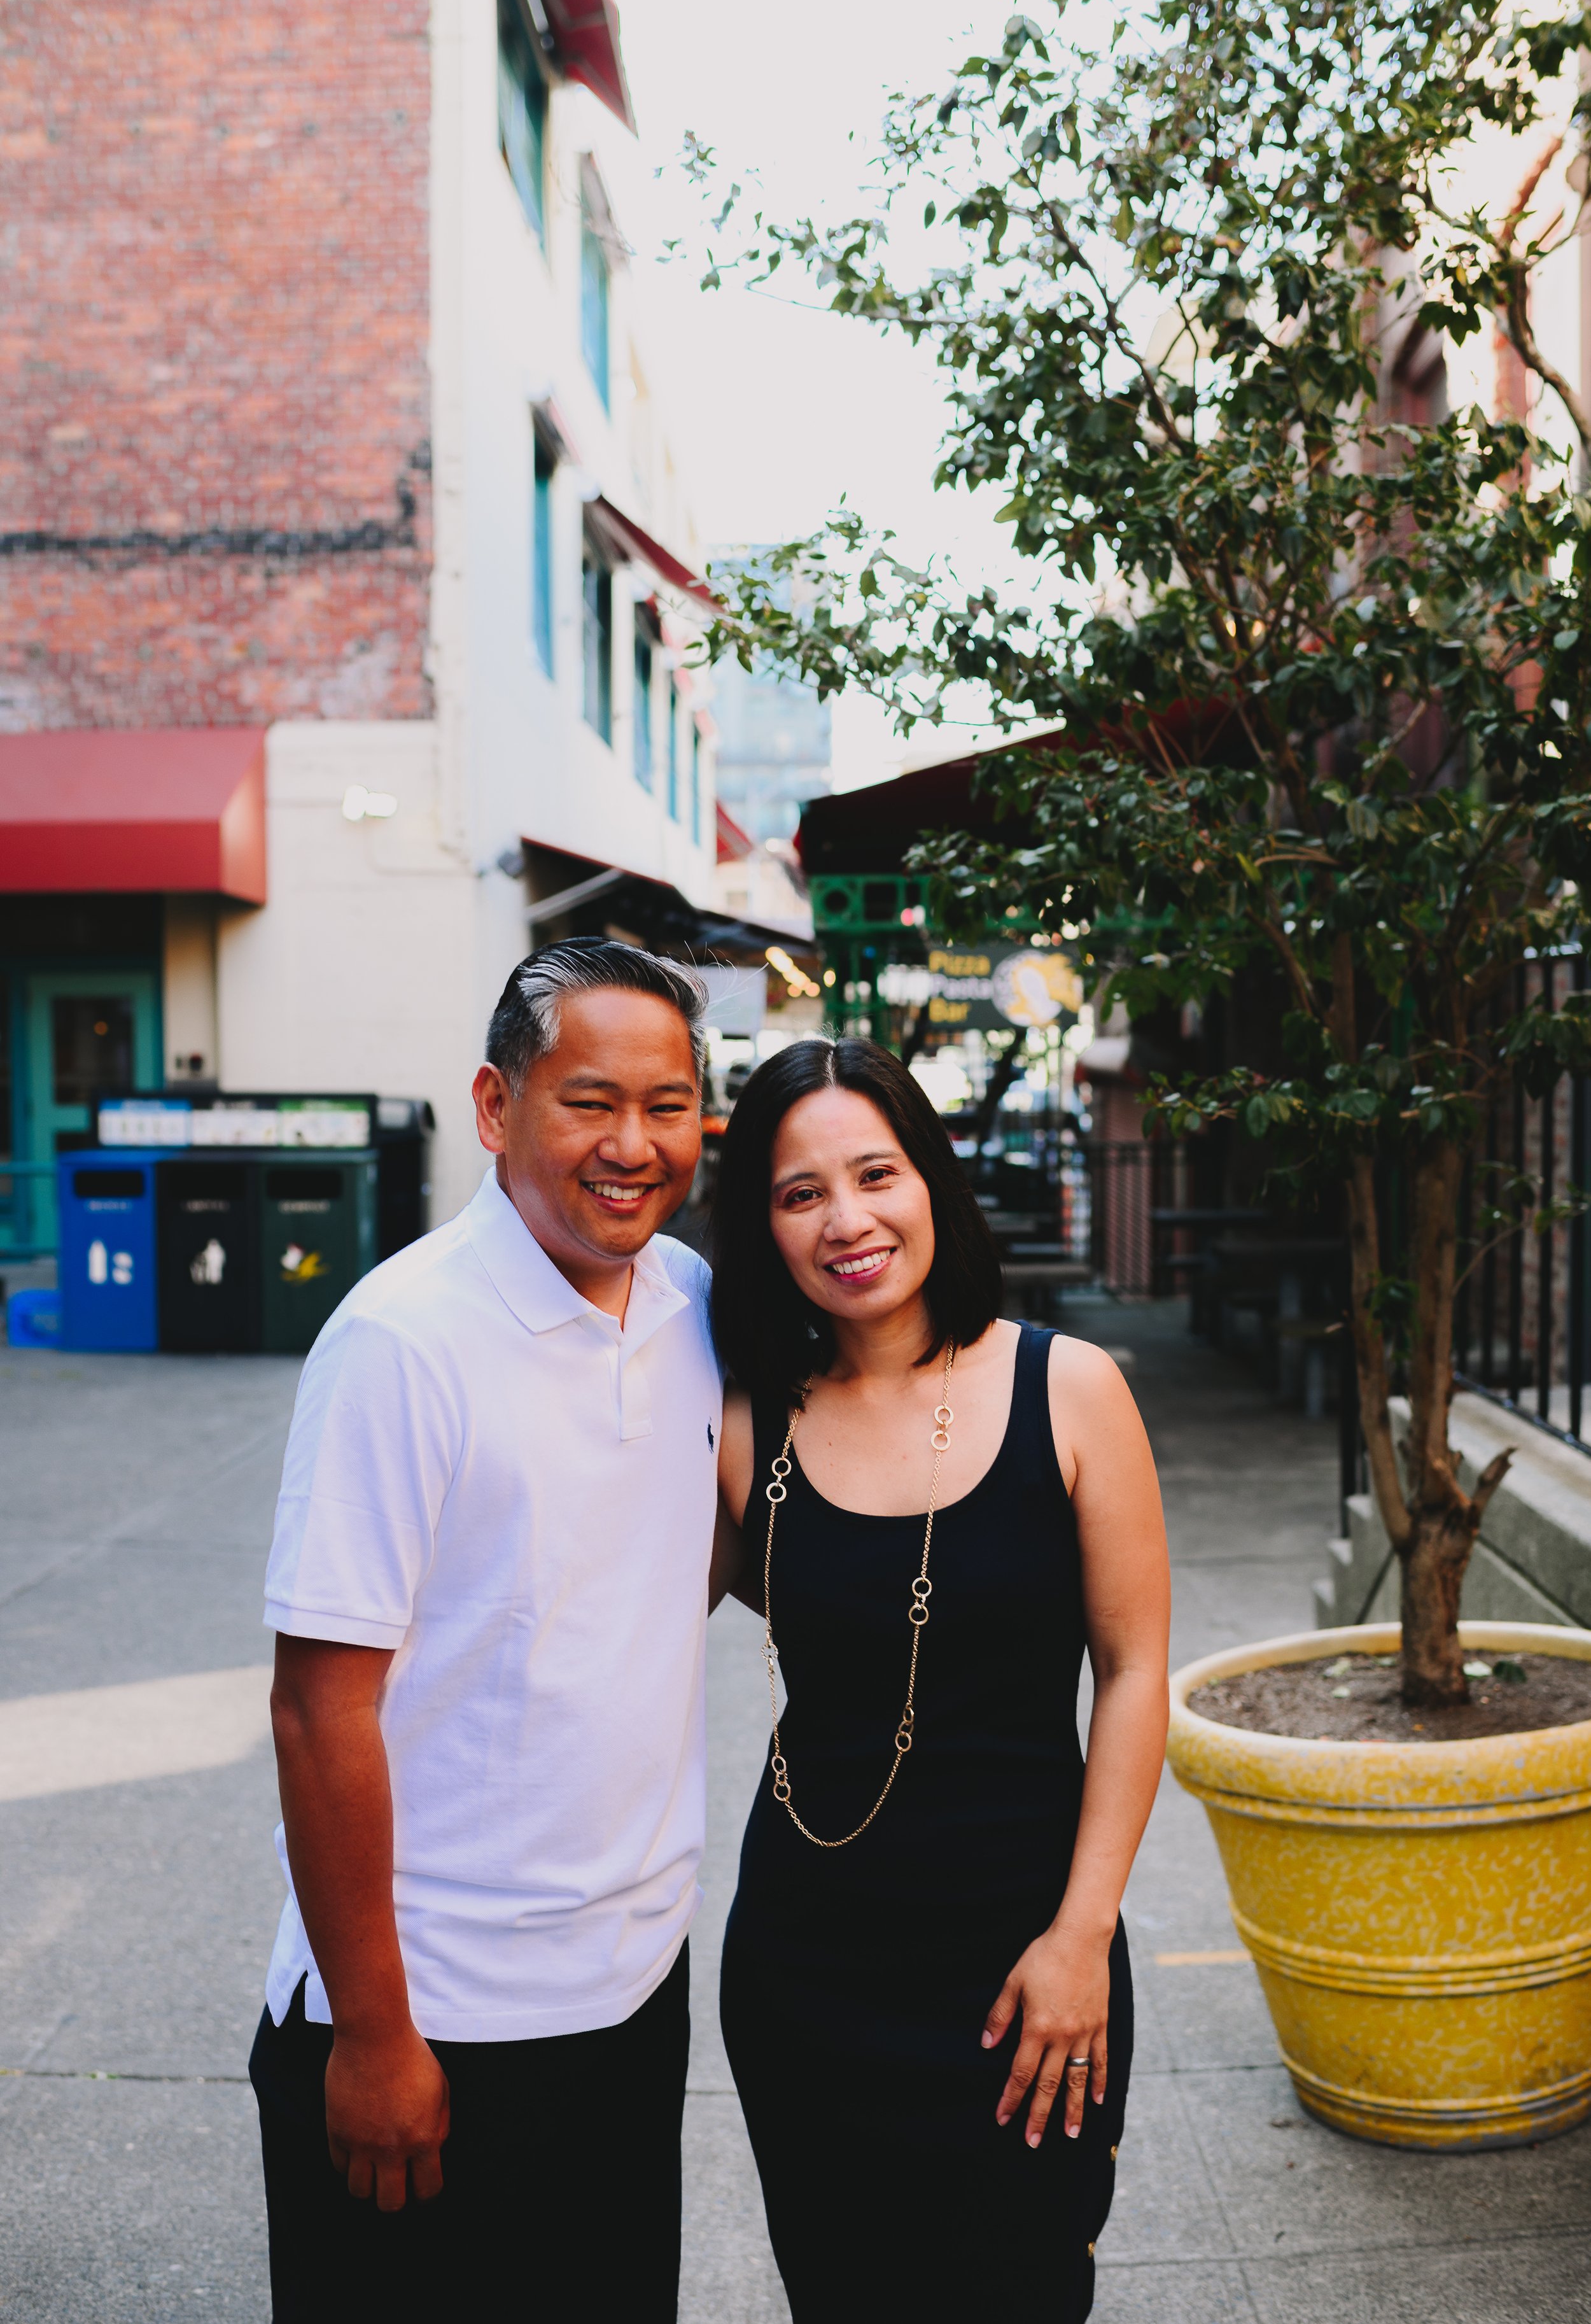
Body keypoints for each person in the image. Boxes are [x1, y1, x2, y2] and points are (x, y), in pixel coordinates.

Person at [248, 940, 718, 2322]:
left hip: (628, 1989)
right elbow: (316, 1707)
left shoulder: (687, 1305)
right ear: (495, 1106)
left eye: (668, 1104)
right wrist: (377, 2035)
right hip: (432, 2015)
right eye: (588, 1101)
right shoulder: (403, 1341)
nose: (632, 1145)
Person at [708, 1037, 1170, 2321]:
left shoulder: (1067, 1389)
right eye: (800, 1193)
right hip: (806, 1974)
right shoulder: (747, 1424)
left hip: (1026, 1966)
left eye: (875, 1173)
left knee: (1019, 2289)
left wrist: (1080, 1937)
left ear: (930, 1182)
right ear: (763, 1224)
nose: (846, 1219)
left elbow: (1135, 1670)